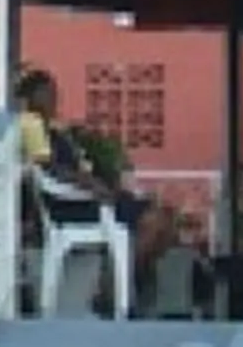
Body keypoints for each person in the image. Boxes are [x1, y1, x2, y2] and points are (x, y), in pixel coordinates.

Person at [14, 69, 151, 315]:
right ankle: (118, 296)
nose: (54, 98)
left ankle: (118, 289)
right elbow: (51, 169)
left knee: (153, 218)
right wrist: (93, 186)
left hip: (88, 198)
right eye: (48, 92)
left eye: (55, 92)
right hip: (71, 204)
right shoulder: (32, 124)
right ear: (32, 96)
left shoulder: (51, 127)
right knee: (149, 222)